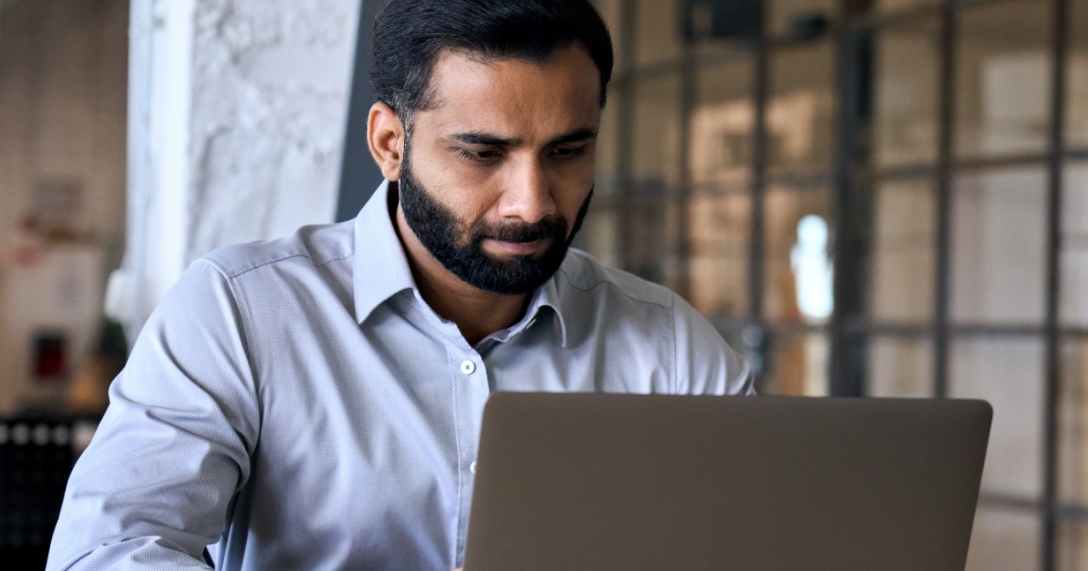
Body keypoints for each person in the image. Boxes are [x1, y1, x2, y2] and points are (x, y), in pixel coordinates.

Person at [46, 0, 753, 569]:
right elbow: (106, 548)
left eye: (568, 150)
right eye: (483, 152)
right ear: (390, 143)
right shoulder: (242, 311)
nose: (532, 202)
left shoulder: (669, 346)